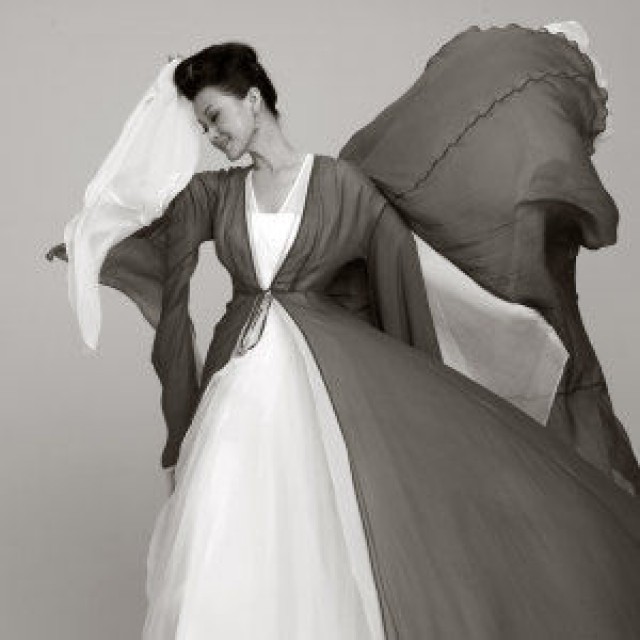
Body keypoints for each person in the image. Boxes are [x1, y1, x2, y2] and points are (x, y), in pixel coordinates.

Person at [47, 33, 640, 640]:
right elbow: (142, 232)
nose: (211, 136)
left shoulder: (341, 186)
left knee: (319, 546)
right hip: (235, 394)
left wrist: (423, 422)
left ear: (253, 99)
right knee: (221, 538)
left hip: (322, 397)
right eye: (201, 127)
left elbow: (402, 279)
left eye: (215, 117)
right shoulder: (213, 194)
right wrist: (157, 110)